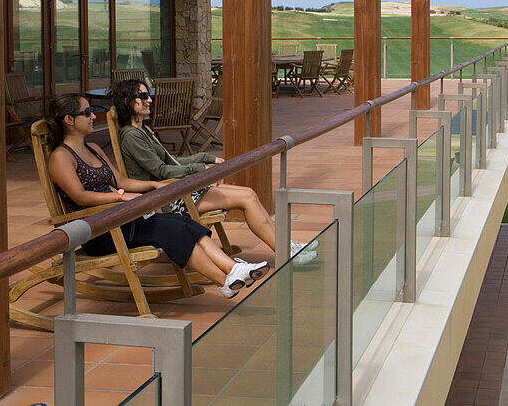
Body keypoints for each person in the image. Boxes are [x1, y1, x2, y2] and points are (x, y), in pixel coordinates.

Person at [44, 93, 268, 298]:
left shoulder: (92, 148)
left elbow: (120, 182)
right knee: (171, 230)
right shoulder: (61, 157)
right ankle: (223, 281)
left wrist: (152, 185)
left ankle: (233, 269)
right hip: (96, 231)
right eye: (86, 112)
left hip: (118, 220)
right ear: (69, 120)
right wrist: (120, 198)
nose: (93, 116)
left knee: (181, 222)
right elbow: (80, 197)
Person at [109, 79, 316, 265]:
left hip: (173, 190)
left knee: (249, 194)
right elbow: (162, 171)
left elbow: (173, 161)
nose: (150, 100)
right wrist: (201, 170)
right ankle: (286, 252)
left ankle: (286, 245)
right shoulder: (131, 136)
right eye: (143, 96)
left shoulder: (143, 130)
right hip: (163, 200)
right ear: (129, 101)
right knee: (247, 198)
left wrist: (207, 158)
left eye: (149, 95)